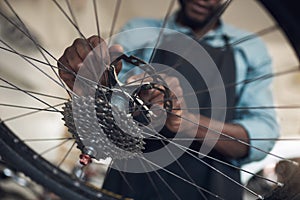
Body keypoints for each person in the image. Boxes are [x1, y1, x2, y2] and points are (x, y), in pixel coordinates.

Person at [58, 0, 279, 199]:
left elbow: (262, 136)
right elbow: (114, 105)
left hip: (213, 187)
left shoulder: (248, 48)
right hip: (133, 182)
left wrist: (187, 122)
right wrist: (93, 86)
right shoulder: (139, 31)